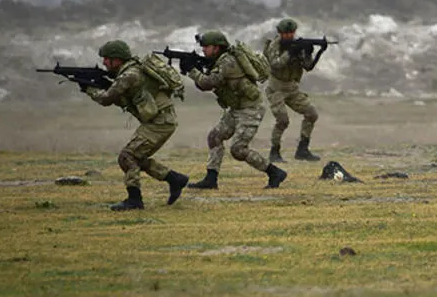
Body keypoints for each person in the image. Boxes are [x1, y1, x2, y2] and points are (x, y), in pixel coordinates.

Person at [85, 40, 188, 211]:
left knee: (127, 157)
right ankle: (175, 179)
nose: (103, 62)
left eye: (106, 59)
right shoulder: (130, 70)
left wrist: (89, 89)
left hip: (160, 123)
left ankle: (134, 200)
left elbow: (106, 99)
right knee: (136, 157)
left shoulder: (129, 75)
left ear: (117, 59)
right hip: (160, 121)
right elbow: (122, 98)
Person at [184, 30, 287, 189]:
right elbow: (207, 83)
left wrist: (192, 71)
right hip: (237, 108)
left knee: (238, 149)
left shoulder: (228, 62)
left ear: (217, 48)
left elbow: (209, 82)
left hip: (251, 109)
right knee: (215, 137)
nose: (203, 49)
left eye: (206, 46)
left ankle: (274, 173)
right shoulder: (220, 60)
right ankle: (211, 180)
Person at [263, 18, 321, 162]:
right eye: (285, 33)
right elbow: (276, 64)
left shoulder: (297, 45)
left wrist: (309, 53)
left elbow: (308, 66)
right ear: (280, 33)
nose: (288, 35)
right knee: (282, 120)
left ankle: (303, 150)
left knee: (312, 114)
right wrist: (290, 52)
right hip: (276, 88)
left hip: (292, 88)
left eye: (291, 33)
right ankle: (274, 152)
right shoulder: (274, 46)